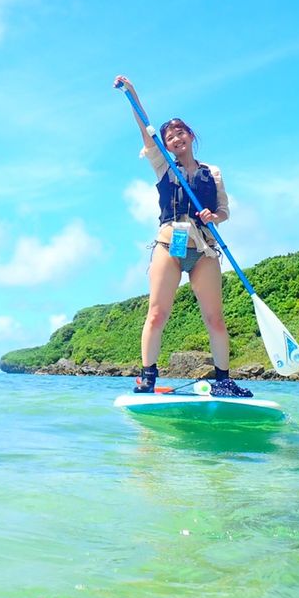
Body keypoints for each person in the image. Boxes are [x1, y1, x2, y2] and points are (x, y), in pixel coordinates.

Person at [113, 75, 252, 397]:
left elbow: (224, 210)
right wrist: (132, 93)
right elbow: (146, 130)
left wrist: (214, 217)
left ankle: (223, 381)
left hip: (204, 250)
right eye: (170, 137)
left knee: (215, 319)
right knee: (157, 313)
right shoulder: (164, 166)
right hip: (169, 245)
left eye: (180, 133)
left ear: (190, 136)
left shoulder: (212, 172)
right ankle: (147, 377)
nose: (176, 138)